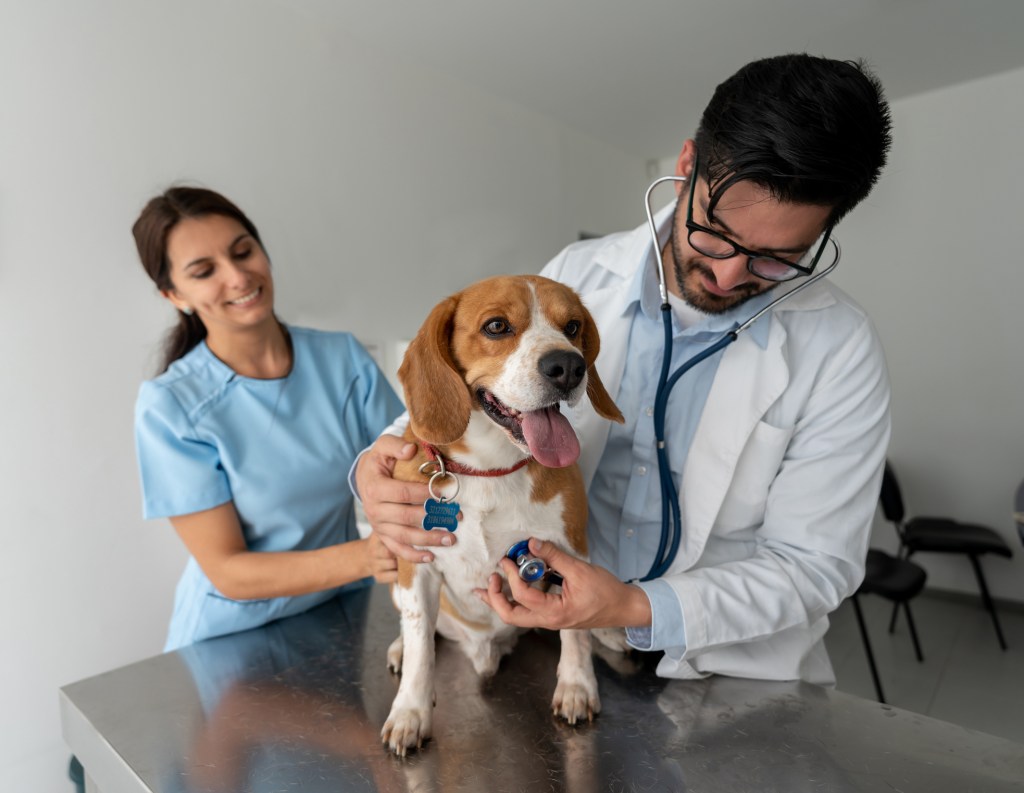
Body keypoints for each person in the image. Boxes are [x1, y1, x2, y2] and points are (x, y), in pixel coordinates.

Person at [355, 53, 893, 684]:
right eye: (716, 234)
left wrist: (635, 607)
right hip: (548, 646)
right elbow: (454, 404)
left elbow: (816, 564)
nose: (728, 275)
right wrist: (372, 470)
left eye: (777, 260)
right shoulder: (576, 275)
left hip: (726, 666)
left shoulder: (840, 345)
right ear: (686, 166)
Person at [133, 186, 404, 651]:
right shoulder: (172, 406)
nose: (238, 277)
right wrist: (368, 555)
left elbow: (412, 466)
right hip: (231, 640)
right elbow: (228, 570)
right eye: (205, 272)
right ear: (175, 294)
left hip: (342, 614)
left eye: (244, 251)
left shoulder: (341, 359)